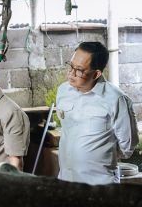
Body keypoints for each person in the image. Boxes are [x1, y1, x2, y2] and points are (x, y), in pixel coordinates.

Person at [57, 41, 138, 185]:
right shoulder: (63, 91)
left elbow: (127, 146)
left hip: (101, 184)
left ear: (96, 73)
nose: (71, 73)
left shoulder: (116, 99)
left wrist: (100, 155)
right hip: (67, 180)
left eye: (79, 70)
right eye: (70, 66)